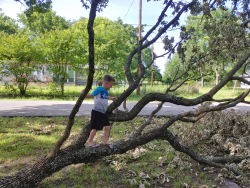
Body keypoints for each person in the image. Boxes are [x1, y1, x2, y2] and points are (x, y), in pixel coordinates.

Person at [80, 74, 116, 149]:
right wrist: (84, 94)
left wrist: (111, 98)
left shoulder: (106, 90)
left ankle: (105, 141)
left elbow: (105, 97)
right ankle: (90, 141)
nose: (111, 87)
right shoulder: (99, 89)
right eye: (111, 85)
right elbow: (90, 96)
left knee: (108, 126)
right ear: (106, 83)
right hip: (97, 111)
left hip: (103, 112)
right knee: (95, 128)